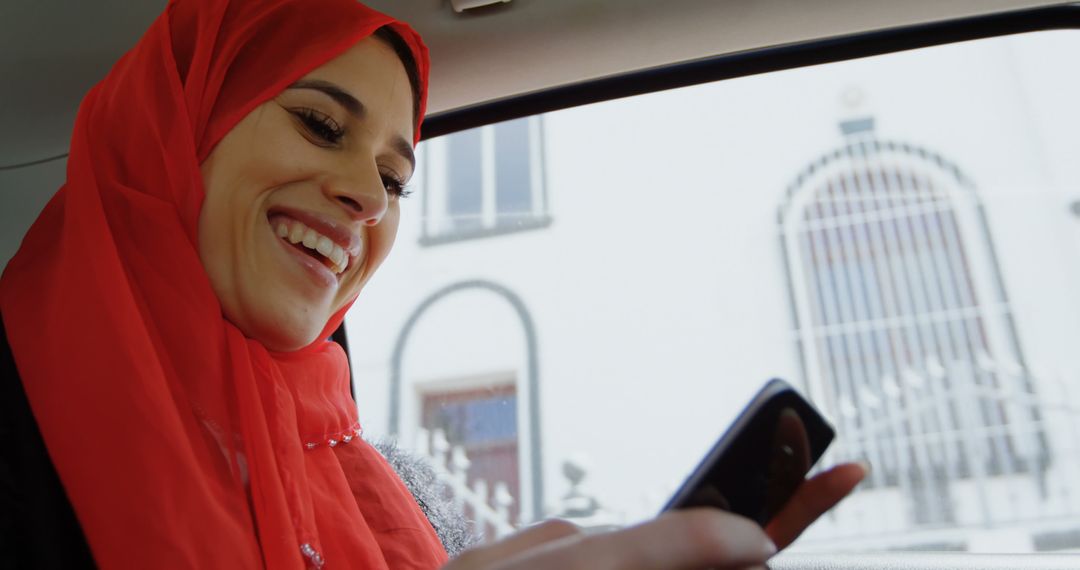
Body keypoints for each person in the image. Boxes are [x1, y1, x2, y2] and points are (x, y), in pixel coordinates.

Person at [0, 0, 865, 568]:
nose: (367, 197)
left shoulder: (404, 498)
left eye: (395, 177)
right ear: (172, 135)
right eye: (318, 123)